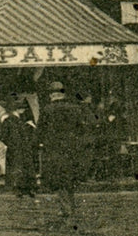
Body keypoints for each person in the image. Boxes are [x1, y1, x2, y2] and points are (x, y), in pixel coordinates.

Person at [38, 81, 96, 217]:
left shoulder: (47, 110)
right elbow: (83, 128)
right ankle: (69, 205)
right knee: (69, 177)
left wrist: (39, 143)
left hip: (54, 149)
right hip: (72, 149)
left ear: (51, 95)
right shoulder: (75, 108)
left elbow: (40, 130)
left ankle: (66, 207)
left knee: (59, 178)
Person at [0, 99, 37, 198]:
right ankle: (26, 189)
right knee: (24, 168)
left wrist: (11, 144)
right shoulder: (18, 120)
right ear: (19, 110)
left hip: (14, 148)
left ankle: (18, 188)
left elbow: (3, 136)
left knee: (17, 168)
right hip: (22, 148)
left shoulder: (9, 120)